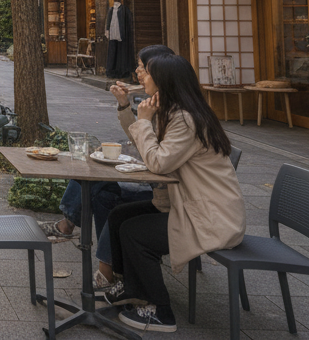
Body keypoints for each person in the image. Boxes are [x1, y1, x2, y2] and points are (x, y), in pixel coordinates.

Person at [104, 54, 245, 333]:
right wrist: (128, 109)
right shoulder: (174, 111)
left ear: (165, 81)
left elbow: (158, 162)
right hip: (190, 205)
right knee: (120, 215)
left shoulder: (186, 119)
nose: (141, 76)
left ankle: (160, 310)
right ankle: (132, 288)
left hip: (211, 217)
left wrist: (144, 121)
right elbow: (148, 148)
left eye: (147, 72)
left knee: (136, 232)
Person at [39, 45, 175, 290]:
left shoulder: (174, 114)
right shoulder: (156, 103)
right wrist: (124, 104)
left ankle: (70, 227)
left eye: (142, 68)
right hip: (155, 181)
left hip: (166, 193)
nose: (137, 72)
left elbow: (155, 158)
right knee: (100, 186)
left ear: (161, 72)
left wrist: (143, 120)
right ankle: (110, 270)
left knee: (99, 182)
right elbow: (139, 141)